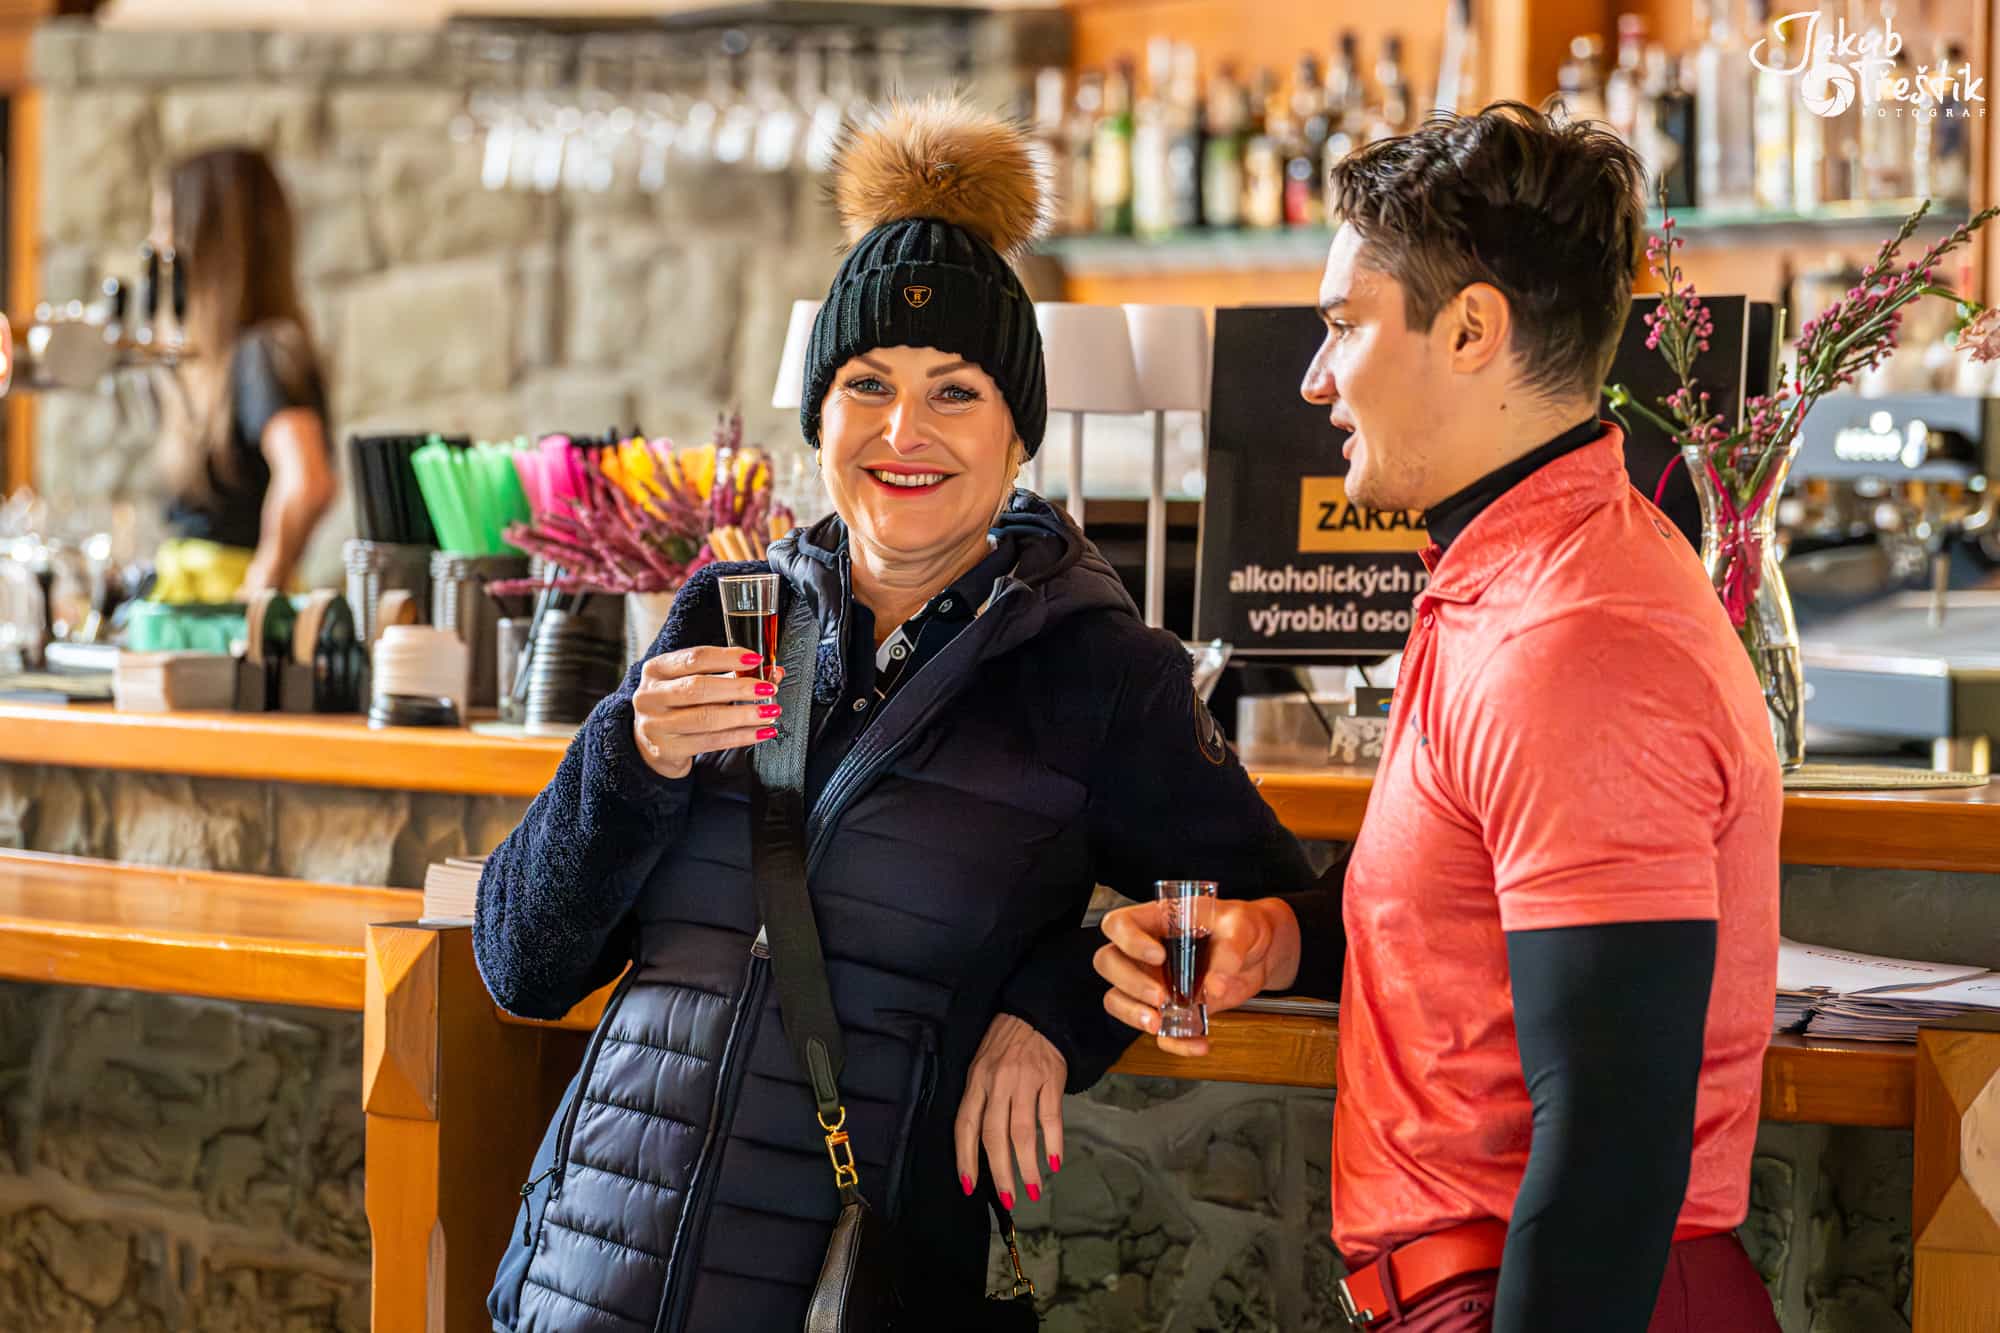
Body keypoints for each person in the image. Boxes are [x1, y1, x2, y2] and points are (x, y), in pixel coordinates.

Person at [475, 97, 1320, 1332]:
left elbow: (1284, 920)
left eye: (953, 392)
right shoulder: (727, 610)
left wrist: (1056, 1002)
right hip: (579, 1283)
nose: (901, 431)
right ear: (817, 417)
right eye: (864, 384)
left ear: (1018, 436)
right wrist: (630, 753)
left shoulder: (1099, 673)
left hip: (843, 1292)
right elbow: (522, 964)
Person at [1095, 103, 1783, 1333]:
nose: (1313, 379)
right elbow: (1479, 940)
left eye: (1342, 326)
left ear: (1470, 329)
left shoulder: (1576, 637)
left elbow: (1613, 1137)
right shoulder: (1513, 578)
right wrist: (1282, 939)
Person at [150, 146, 334, 603]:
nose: (156, 244)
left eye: (166, 224)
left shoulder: (261, 354)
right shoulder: (239, 357)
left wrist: (261, 583)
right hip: (198, 604)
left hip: (223, 612)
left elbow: (308, 481)